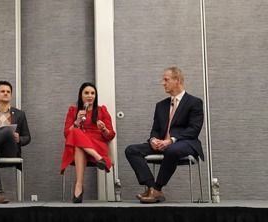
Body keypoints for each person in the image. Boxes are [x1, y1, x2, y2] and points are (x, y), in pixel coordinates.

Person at [125, 67, 204, 203]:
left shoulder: (194, 102)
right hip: (162, 143)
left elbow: (194, 129)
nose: (163, 83)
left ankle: (157, 188)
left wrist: (171, 140)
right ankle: (153, 189)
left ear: (177, 80)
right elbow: (155, 129)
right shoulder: (160, 105)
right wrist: (153, 139)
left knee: (172, 149)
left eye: (166, 80)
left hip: (185, 143)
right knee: (131, 150)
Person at [60, 82, 116, 203]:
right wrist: (77, 121)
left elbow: (110, 135)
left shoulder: (102, 110)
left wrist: (103, 129)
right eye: (86, 93)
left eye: (92, 93)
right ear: (81, 95)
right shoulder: (73, 111)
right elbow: (66, 134)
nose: (90, 96)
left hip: (98, 145)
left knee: (76, 138)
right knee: (75, 134)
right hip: (83, 148)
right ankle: (81, 182)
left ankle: (79, 187)